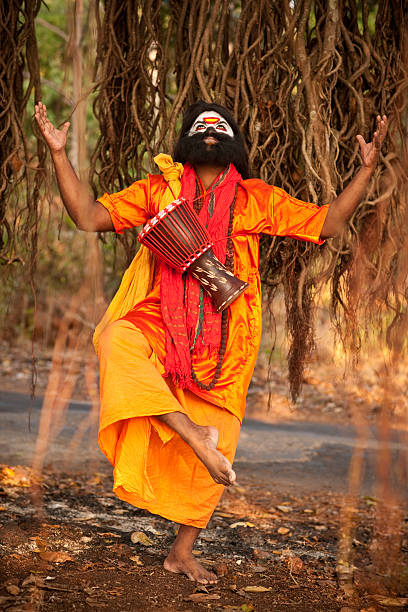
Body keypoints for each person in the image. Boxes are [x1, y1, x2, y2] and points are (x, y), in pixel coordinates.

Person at [34, 100, 387, 584]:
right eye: (201, 127)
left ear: (234, 144)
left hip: (229, 337)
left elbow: (327, 224)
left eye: (220, 127)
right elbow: (87, 216)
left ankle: (181, 552)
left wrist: (366, 171)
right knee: (116, 338)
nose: (210, 132)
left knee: (223, 437)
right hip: (162, 319)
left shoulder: (255, 198)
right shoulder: (160, 191)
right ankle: (190, 432)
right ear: (186, 141)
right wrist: (58, 153)